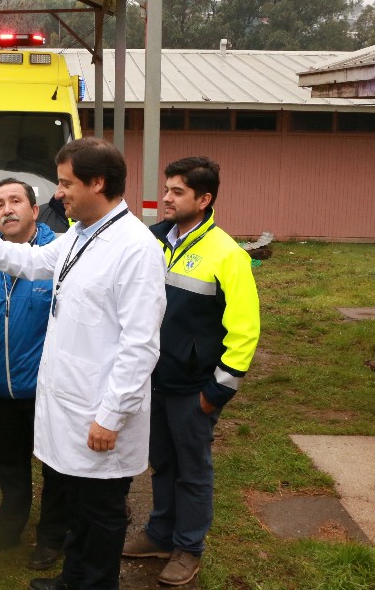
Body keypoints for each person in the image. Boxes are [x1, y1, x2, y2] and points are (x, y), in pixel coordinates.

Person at [0, 137, 167, 590]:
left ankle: (95, 582)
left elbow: (140, 344)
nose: (58, 193)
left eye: (66, 183)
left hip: (101, 413)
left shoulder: (134, 248)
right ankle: (73, 577)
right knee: (80, 507)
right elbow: (31, 260)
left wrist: (111, 415)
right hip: (72, 405)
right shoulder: (80, 235)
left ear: (98, 182)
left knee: (102, 512)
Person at [122, 157, 260, 587]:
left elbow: (245, 331)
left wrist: (215, 392)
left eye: (177, 192)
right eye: (166, 189)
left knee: (192, 470)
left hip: (193, 389)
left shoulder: (228, 254)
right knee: (161, 464)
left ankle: (188, 547)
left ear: (204, 199)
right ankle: (161, 534)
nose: (165, 198)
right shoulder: (154, 240)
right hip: (154, 381)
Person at [0, 178, 67, 570]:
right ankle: (9, 528)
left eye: (15, 201)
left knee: (56, 468)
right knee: (10, 465)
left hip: (48, 389)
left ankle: (52, 536)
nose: (6, 209)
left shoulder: (57, 254)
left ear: (34, 207)